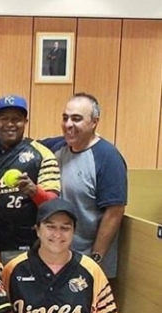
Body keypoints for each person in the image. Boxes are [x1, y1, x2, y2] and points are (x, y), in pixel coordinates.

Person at [0, 95, 60, 262]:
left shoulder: (42, 154)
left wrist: (34, 191)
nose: (10, 124)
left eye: (16, 119)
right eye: (4, 119)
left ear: (25, 122)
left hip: (27, 247)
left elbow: (53, 205)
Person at [56, 93, 127, 277]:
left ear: (94, 122)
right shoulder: (56, 147)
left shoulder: (108, 157)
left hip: (89, 261)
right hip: (58, 258)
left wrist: (95, 260)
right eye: (65, 118)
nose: (69, 124)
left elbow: (114, 211)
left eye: (77, 119)